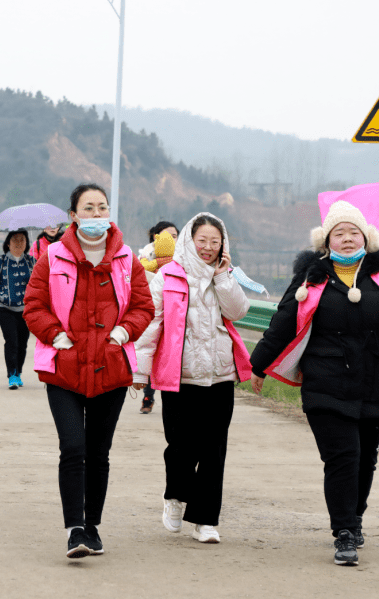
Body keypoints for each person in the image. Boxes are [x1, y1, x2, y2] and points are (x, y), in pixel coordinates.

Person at [249, 201, 379, 566]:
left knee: (366, 460)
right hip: (325, 383)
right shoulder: (311, 277)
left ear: (366, 236)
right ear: (326, 240)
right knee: (343, 457)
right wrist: (259, 364)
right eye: (339, 233)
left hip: (374, 381)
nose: (347, 238)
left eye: (353, 232)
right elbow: (284, 320)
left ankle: (355, 516)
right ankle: (344, 532)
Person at [24, 183, 154, 559]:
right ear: (73, 215)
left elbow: (143, 306)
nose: (97, 215)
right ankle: (74, 529)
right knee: (73, 446)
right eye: (89, 208)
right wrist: (57, 337)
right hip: (64, 366)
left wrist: (121, 333)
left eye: (102, 207)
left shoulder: (127, 259)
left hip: (111, 365)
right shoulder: (52, 257)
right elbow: (34, 304)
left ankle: (92, 527)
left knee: (99, 451)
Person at [132, 213, 251, 545]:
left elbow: (239, 311)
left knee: (213, 449)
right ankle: (175, 495)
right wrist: (140, 370)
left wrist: (223, 276)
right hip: (178, 375)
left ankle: (205, 520)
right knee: (181, 446)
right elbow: (151, 325)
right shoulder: (167, 277)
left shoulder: (224, 275)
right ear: (189, 240)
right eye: (203, 241)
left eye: (215, 242)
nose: (208, 248)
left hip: (219, 374)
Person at [137, 221, 179, 414]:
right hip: (153, 311)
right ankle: (148, 396)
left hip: (174, 317)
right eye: (167, 235)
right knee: (151, 356)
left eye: (175, 235)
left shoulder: (185, 260)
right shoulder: (146, 256)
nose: (172, 239)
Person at [0, 229, 35, 389]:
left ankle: (19, 372)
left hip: (26, 310)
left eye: (22, 240)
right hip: (5, 310)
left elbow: (38, 284)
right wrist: (2, 296)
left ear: (26, 243)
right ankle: (12, 375)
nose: (19, 243)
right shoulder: (0, 262)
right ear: (8, 243)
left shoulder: (31, 262)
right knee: (12, 342)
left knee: (23, 343)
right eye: (15, 240)